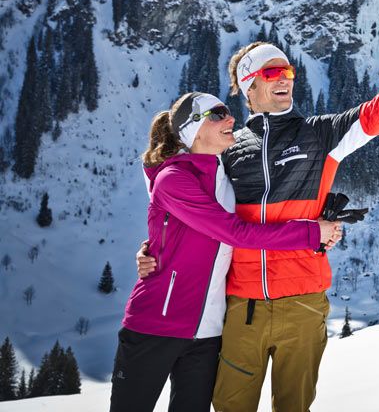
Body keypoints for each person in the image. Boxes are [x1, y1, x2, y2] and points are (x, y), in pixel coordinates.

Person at [137, 16, 379, 411]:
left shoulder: (319, 136)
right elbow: (187, 208)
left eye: (288, 71)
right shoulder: (226, 151)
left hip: (303, 303)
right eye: (272, 73)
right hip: (241, 306)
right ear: (249, 85)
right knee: (229, 406)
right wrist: (152, 249)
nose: (285, 79)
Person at [112, 92, 343, 412]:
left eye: (228, 112)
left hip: (207, 335)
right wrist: (310, 233)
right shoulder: (173, 179)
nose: (231, 118)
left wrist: (322, 229)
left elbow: (258, 212)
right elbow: (233, 232)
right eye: (218, 114)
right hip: (155, 326)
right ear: (193, 130)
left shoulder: (224, 175)